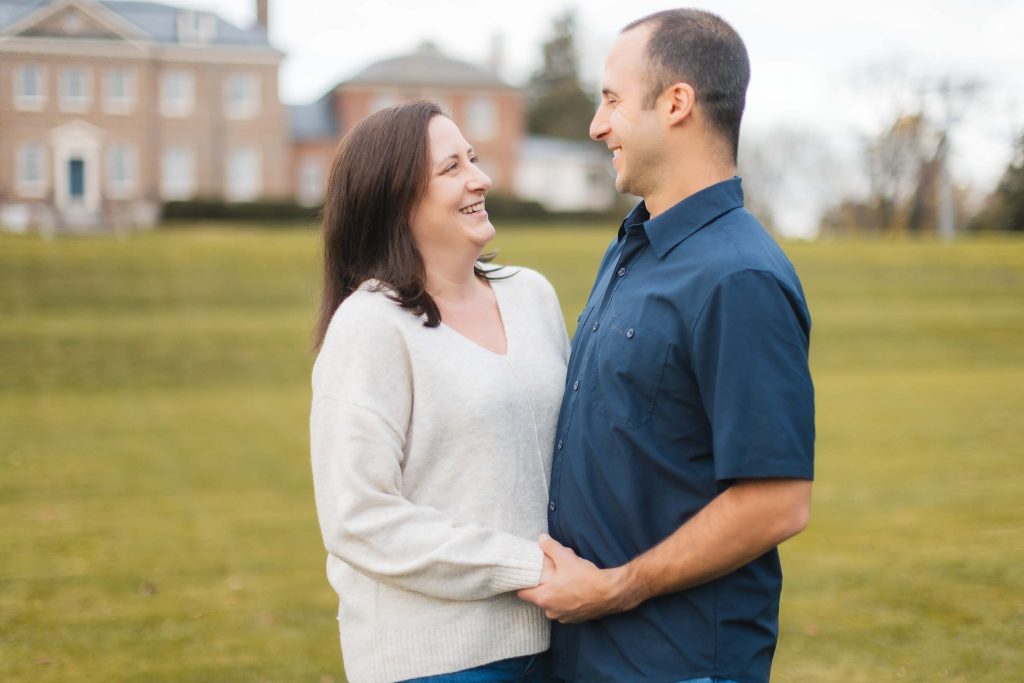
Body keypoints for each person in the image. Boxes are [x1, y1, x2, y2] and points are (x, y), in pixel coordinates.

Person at [517, 9, 816, 683]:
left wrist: (616, 586)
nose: (597, 125)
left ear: (676, 103)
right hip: (584, 655)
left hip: (675, 663)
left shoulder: (739, 277)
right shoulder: (633, 248)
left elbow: (777, 500)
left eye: (613, 100)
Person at [310, 100, 569, 683]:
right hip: (436, 662)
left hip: (563, 642)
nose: (480, 179)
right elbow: (358, 517)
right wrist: (527, 567)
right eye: (452, 168)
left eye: (473, 159)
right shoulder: (370, 325)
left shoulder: (532, 296)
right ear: (396, 199)